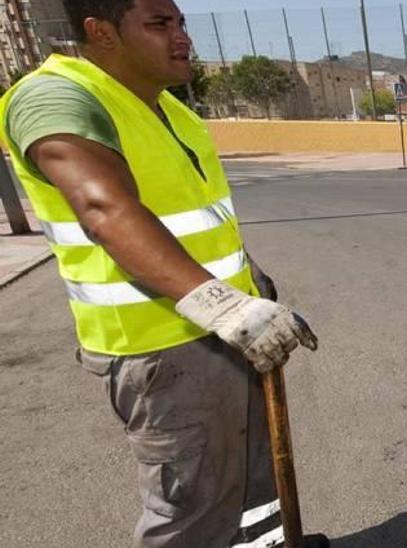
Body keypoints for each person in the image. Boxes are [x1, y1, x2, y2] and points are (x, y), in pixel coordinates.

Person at [0, 0, 325, 546]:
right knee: (191, 507)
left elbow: (196, 219)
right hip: (164, 349)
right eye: (159, 24)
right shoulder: (55, 96)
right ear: (102, 32)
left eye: (181, 23)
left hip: (224, 333)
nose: (181, 37)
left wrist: (250, 284)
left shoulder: (171, 111)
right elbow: (106, 210)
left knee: (252, 481)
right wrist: (229, 307)